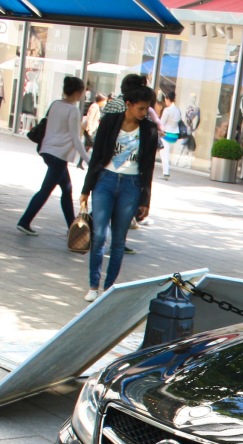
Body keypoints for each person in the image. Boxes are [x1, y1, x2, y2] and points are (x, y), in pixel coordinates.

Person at [80, 85, 158, 301]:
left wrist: (145, 200)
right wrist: (86, 189)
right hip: (105, 180)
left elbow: (149, 167)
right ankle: (93, 285)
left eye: (147, 109)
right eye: (141, 109)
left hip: (131, 185)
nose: (144, 113)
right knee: (99, 235)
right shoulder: (110, 122)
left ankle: (109, 287)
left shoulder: (149, 130)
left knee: (119, 239)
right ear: (129, 105)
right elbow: (96, 157)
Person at [17, 76, 89, 236]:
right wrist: (87, 159)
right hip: (59, 155)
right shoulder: (73, 110)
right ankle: (25, 221)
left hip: (47, 150)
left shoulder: (55, 104)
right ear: (78, 92)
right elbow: (75, 138)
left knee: (67, 189)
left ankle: (72, 226)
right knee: (46, 190)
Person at [158, 92, 183, 180]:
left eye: (165, 100)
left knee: (164, 154)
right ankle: (165, 173)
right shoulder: (177, 110)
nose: (165, 102)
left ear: (168, 99)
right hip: (175, 135)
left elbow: (161, 124)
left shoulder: (167, 110)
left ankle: (166, 173)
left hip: (166, 135)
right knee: (165, 153)